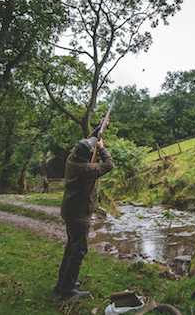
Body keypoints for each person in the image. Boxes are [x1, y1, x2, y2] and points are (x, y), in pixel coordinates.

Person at [54, 122, 115, 300]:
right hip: (80, 215)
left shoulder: (72, 158)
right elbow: (109, 165)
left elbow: (88, 141)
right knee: (78, 251)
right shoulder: (86, 169)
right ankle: (68, 291)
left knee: (71, 248)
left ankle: (63, 284)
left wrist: (99, 128)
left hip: (70, 210)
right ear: (87, 156)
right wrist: (102, 149)